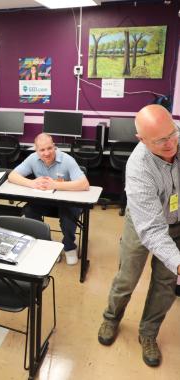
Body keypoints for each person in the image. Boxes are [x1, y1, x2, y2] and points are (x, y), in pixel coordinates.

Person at [98, 104, 180, 368]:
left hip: (177, 220)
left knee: (166, 284)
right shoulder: (138, 167)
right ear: (142, 140)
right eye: (160, 141)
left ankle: (148, 334)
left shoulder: (175, 137)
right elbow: (153, 230)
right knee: (128, 276)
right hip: (144, 223)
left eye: (173, 134)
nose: (170, 144)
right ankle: (111, 318)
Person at [8, 133, 89, 264]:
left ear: (54, 147)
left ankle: (69, 246)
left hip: (66, 201)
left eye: (49, 148)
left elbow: (84, 184)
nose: (46, 153)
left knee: (68, 214)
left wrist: (56, 185)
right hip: (45, 200)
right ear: (36, 150)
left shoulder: (67, 159)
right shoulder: (32, 158)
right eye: (42, 150)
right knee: (29, 211)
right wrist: (32, 183)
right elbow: (12, 176)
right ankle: (48, 245)